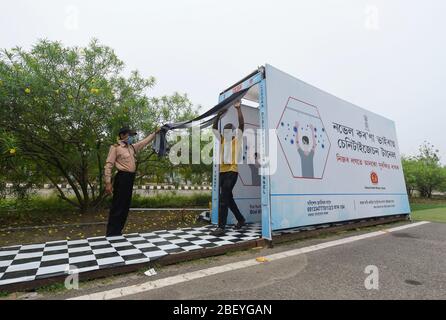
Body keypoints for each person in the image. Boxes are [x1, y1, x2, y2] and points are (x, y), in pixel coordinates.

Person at [104, 126, 159, 237]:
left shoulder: (132, 148)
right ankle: (111, 233)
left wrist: (155, 133)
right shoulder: (115, 148)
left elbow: (144, 142)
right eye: (129, 135)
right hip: (122, 178)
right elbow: (108, 165)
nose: (131, 138)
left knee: (125, 206)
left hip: (130, 178)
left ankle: (118, 232)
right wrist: (108, 183)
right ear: (122, 135)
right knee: (118, 206)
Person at [211, 101, 246, 236]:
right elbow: (214, 128)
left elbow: (242, 124)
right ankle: (241, 219)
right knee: (228, 199)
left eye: (229, 131)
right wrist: (218, 116)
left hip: (232, 172)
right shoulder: (222, 140)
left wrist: (238, 109)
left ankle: (221, 227)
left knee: (223, 199)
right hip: (222, 173)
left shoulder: (236, 140)